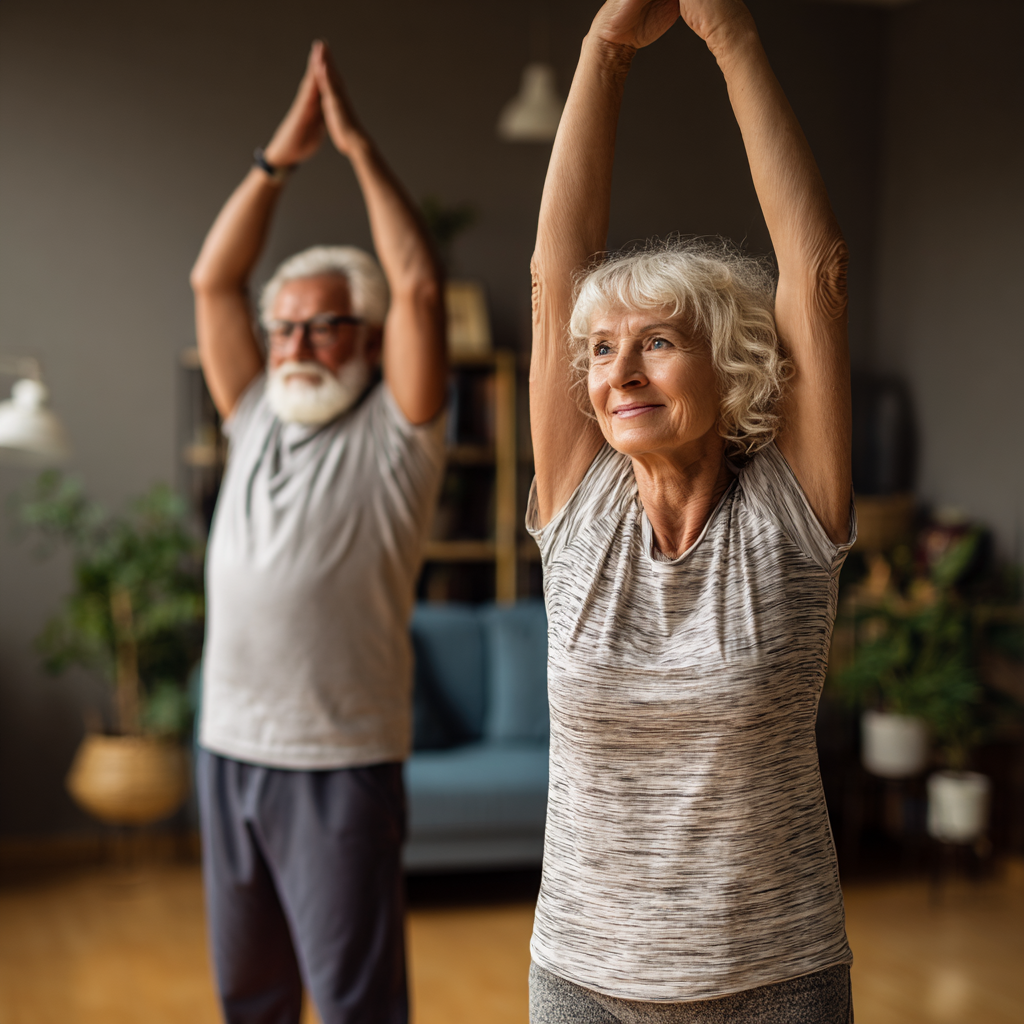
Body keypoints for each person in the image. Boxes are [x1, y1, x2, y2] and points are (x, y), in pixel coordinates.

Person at [526, 1, 855, 1021]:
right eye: (600, 350)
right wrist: (603, 51)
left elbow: (815, 273)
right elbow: (552, 280)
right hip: (581, 975)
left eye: (657, 341)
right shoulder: (579, 503)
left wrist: (731, 35)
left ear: (735, 364)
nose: (617, 369)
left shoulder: (789, 515)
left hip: (771, 979)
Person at [189, 41, 447, 1024]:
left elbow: (419, 287)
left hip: (337, 761)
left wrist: (352, 148)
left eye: (324, 325)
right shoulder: (253, 411)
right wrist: (276, 160)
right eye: (285, 327)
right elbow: (213, 282)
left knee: (354, 1006)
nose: (297, 344)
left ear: (369, 341)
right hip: (228, 749)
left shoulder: (400, 435)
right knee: (248, 995)